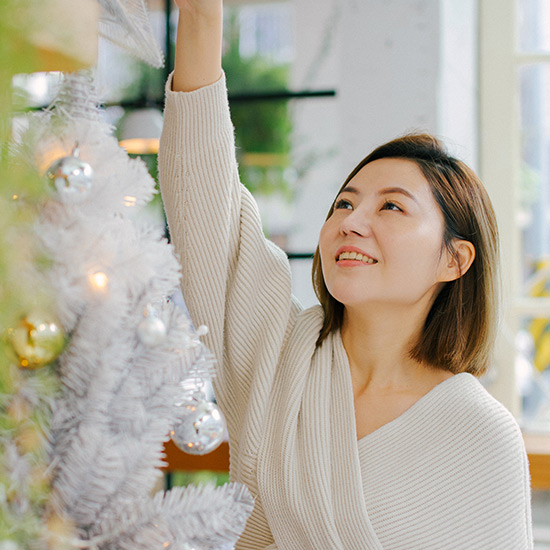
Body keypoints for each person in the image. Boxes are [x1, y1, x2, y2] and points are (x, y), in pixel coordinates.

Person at [159, 1, 533, 548]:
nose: (350, 222)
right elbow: (204, 203)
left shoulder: (480, 436)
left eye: (391, 207)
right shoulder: (277, 361)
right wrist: (200, 18)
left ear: (454, 260)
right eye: (343, 204)